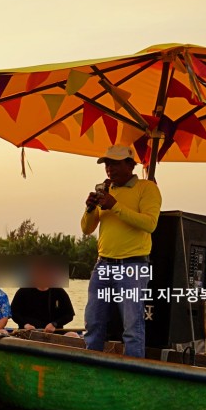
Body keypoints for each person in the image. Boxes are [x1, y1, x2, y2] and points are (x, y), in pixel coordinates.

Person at [81, 145, 162, 358]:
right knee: (93, 321)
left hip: (133, 265)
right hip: (103, 264)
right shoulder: (105, 190)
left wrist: (115, 206)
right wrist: (89, 209)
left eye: (115, 163)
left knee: (132, 326)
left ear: (130, 164)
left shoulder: (147, 188)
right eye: (107, 164)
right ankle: (92, 367)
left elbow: (150, 224)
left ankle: (134, 373)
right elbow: (86, 229)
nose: (109, 168)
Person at [11, 261, 75, 332]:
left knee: (73, 335)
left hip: (54, 332)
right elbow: (14, 313)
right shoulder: (23, 291)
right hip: (27, 332)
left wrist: (54, 324)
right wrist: (25, 325)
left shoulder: (59, 292)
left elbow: (69, 315)